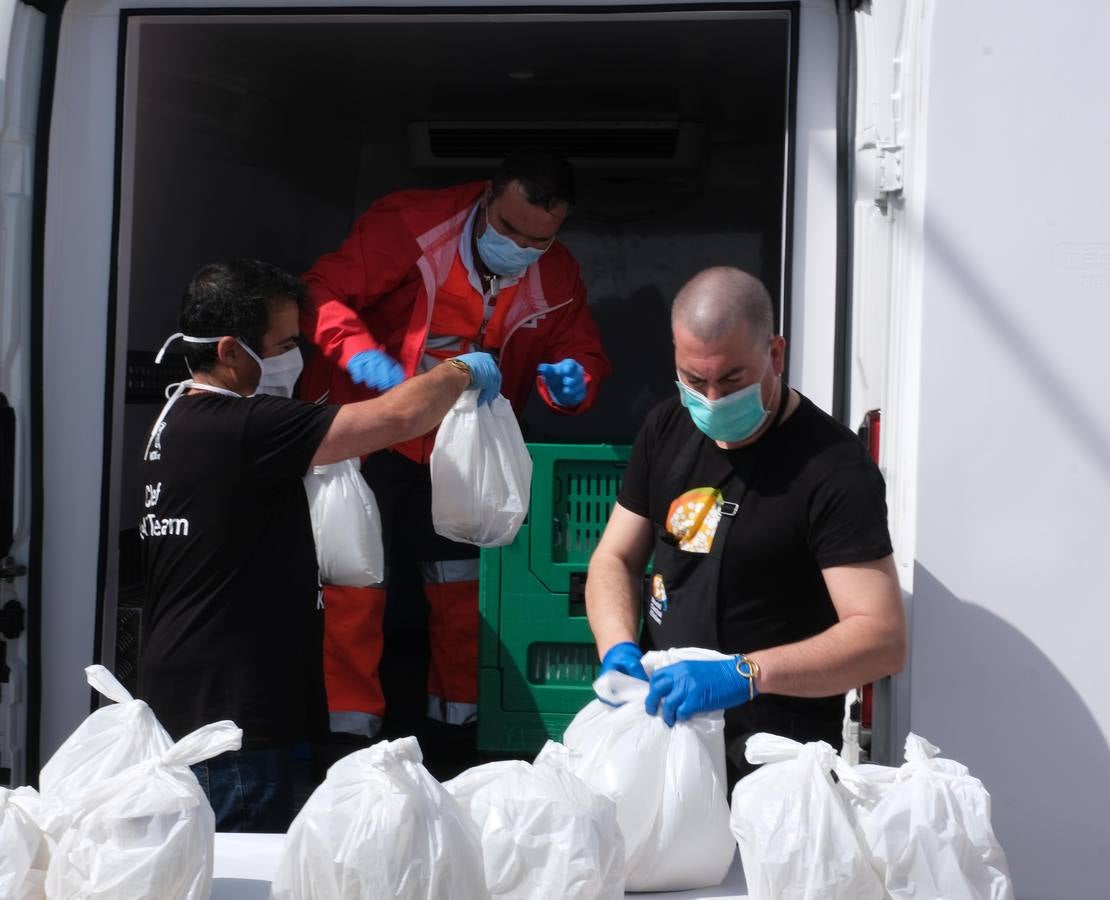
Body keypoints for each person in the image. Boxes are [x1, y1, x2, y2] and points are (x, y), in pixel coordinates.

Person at [137, 259, 502, 831]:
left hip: (201, 708)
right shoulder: (243, 426)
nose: (296, 357)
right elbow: (399, 416)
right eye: (283, 343)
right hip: (230, 727)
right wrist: (461, 368)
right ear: (231, 351)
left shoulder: (178, 417)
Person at [297, 148, 613, 756]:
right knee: (351, 586)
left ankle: (459, 740)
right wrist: (359, 355)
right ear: (487, 198)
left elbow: (584, 353)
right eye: (510, 229)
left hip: (461, 454)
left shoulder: (558, 274)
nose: (520, 246)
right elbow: (321, 292)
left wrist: (576, 380)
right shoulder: (414, 226)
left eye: (538, 239)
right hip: (370, 436)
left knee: (466, 594)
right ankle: (345, 744)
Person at [585, 265, 906, 784]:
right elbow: (615, 557)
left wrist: (747, 674)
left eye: (732, 379)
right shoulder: (666, 426)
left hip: (774, 761)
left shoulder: (833, 468)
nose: (711, 399)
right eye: (694, 380)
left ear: (775, 355)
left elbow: (881, 639)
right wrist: (617, 646)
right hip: (667, 739)